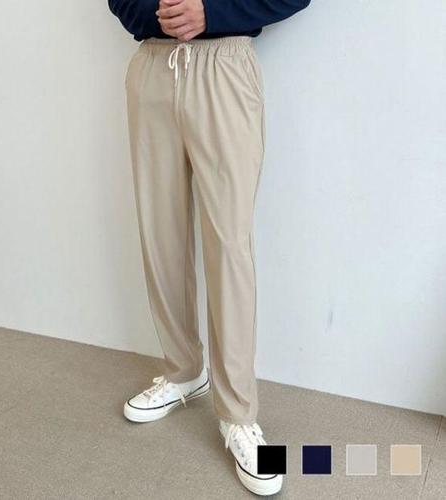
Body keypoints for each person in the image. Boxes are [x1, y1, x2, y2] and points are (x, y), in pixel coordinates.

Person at [108, 0, 310, 495]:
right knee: (160, 233)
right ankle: (183, 370)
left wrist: (212, 13)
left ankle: (240, 414)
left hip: (225, 66)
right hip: (152, 67)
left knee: (229, 245)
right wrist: (155, 16)